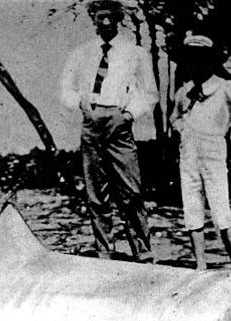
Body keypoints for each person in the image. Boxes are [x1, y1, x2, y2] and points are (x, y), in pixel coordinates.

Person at [60, 0, 159, 261]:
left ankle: (143, 251)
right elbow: (65, 91)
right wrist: (80, 102)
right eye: (100, 17)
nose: (105, 23)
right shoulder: (81, 54)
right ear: (93, 19)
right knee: (95, 192)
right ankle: (105, 250)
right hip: (91, 121)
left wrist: (128, 115)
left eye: (111, 18)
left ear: (118, 20)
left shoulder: (135, 53)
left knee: (131, 190)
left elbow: (149, 94)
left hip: (119, 121)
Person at [170, 34, 231, 270]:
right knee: (192, 208)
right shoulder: (185, 91)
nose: (195, 65)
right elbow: (174, 118)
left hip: (214, 152)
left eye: (201, 59)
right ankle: (200, 265)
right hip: (188, 154)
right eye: (191, 59)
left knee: (221, 209)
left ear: (210, 61)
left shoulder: (225, 87)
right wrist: (180, 130)